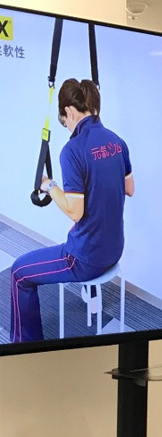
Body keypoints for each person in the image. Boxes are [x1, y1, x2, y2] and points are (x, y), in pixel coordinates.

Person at [10, 78, 134, 343]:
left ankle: (25, 347)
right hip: (114, 249)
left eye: (63, 120)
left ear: (69, 110)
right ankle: (91, 299)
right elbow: (129, 188)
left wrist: (49, 185)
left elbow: (75, 212)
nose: (65, 125)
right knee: (75, 231)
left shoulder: (72, 150)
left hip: (86, 259)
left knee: (19, 272)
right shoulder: (117, 142)